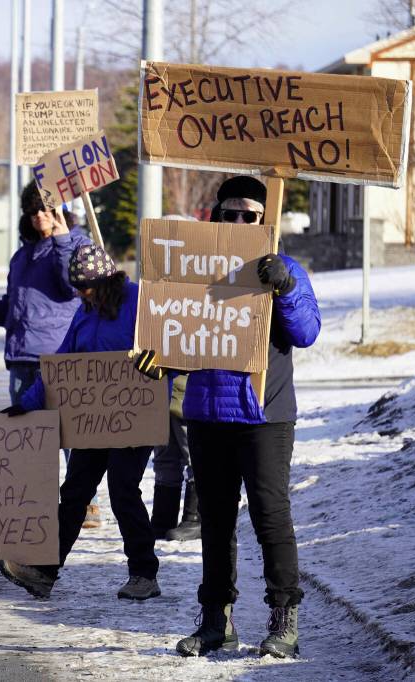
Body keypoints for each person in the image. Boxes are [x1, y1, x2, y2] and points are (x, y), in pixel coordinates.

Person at [136, 176, 321, 658]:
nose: (239, 222)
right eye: (230, 213)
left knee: (270, 517)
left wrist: (284, 289)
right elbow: (178, 339)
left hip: (265, 415)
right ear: (216, 217)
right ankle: (216, 620)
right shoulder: (196, 273)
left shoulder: (285, 268)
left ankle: (284, 621)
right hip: (206, 413)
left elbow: (306, 333)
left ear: (265, 220)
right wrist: (154, 359)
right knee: (216, 522)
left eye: (250, 215)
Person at [0, 243, 161, 602]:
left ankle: (144, 573)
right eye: (78, 290)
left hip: (134, 415)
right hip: (92, 418)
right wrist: (28, 403)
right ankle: (44, 572)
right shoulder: (85, 311)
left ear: (106, 283)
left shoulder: (139, 302)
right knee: (74, 491)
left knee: (122, 491)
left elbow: (167, 352)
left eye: (86, 289)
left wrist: (157, 365)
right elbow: (61, 364)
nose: (81, 296)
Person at [0, 182, 103, 527]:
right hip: (22, 358)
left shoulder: (77, 245)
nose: (39, 217)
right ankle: (37, 502)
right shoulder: (22, 257)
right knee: (29, 436)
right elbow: (13, 308)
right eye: (33, 211)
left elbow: (73, 285)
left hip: (60, 355)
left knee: (69, 434)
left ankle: (86, 505)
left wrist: (62, 240)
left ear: (60, 209)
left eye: (45, 210)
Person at [149, 375, 199, 541]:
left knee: (195, 457)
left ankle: (195, 518)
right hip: (161, 388)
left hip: (189, 389)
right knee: (165, 459)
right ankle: (163, 519)